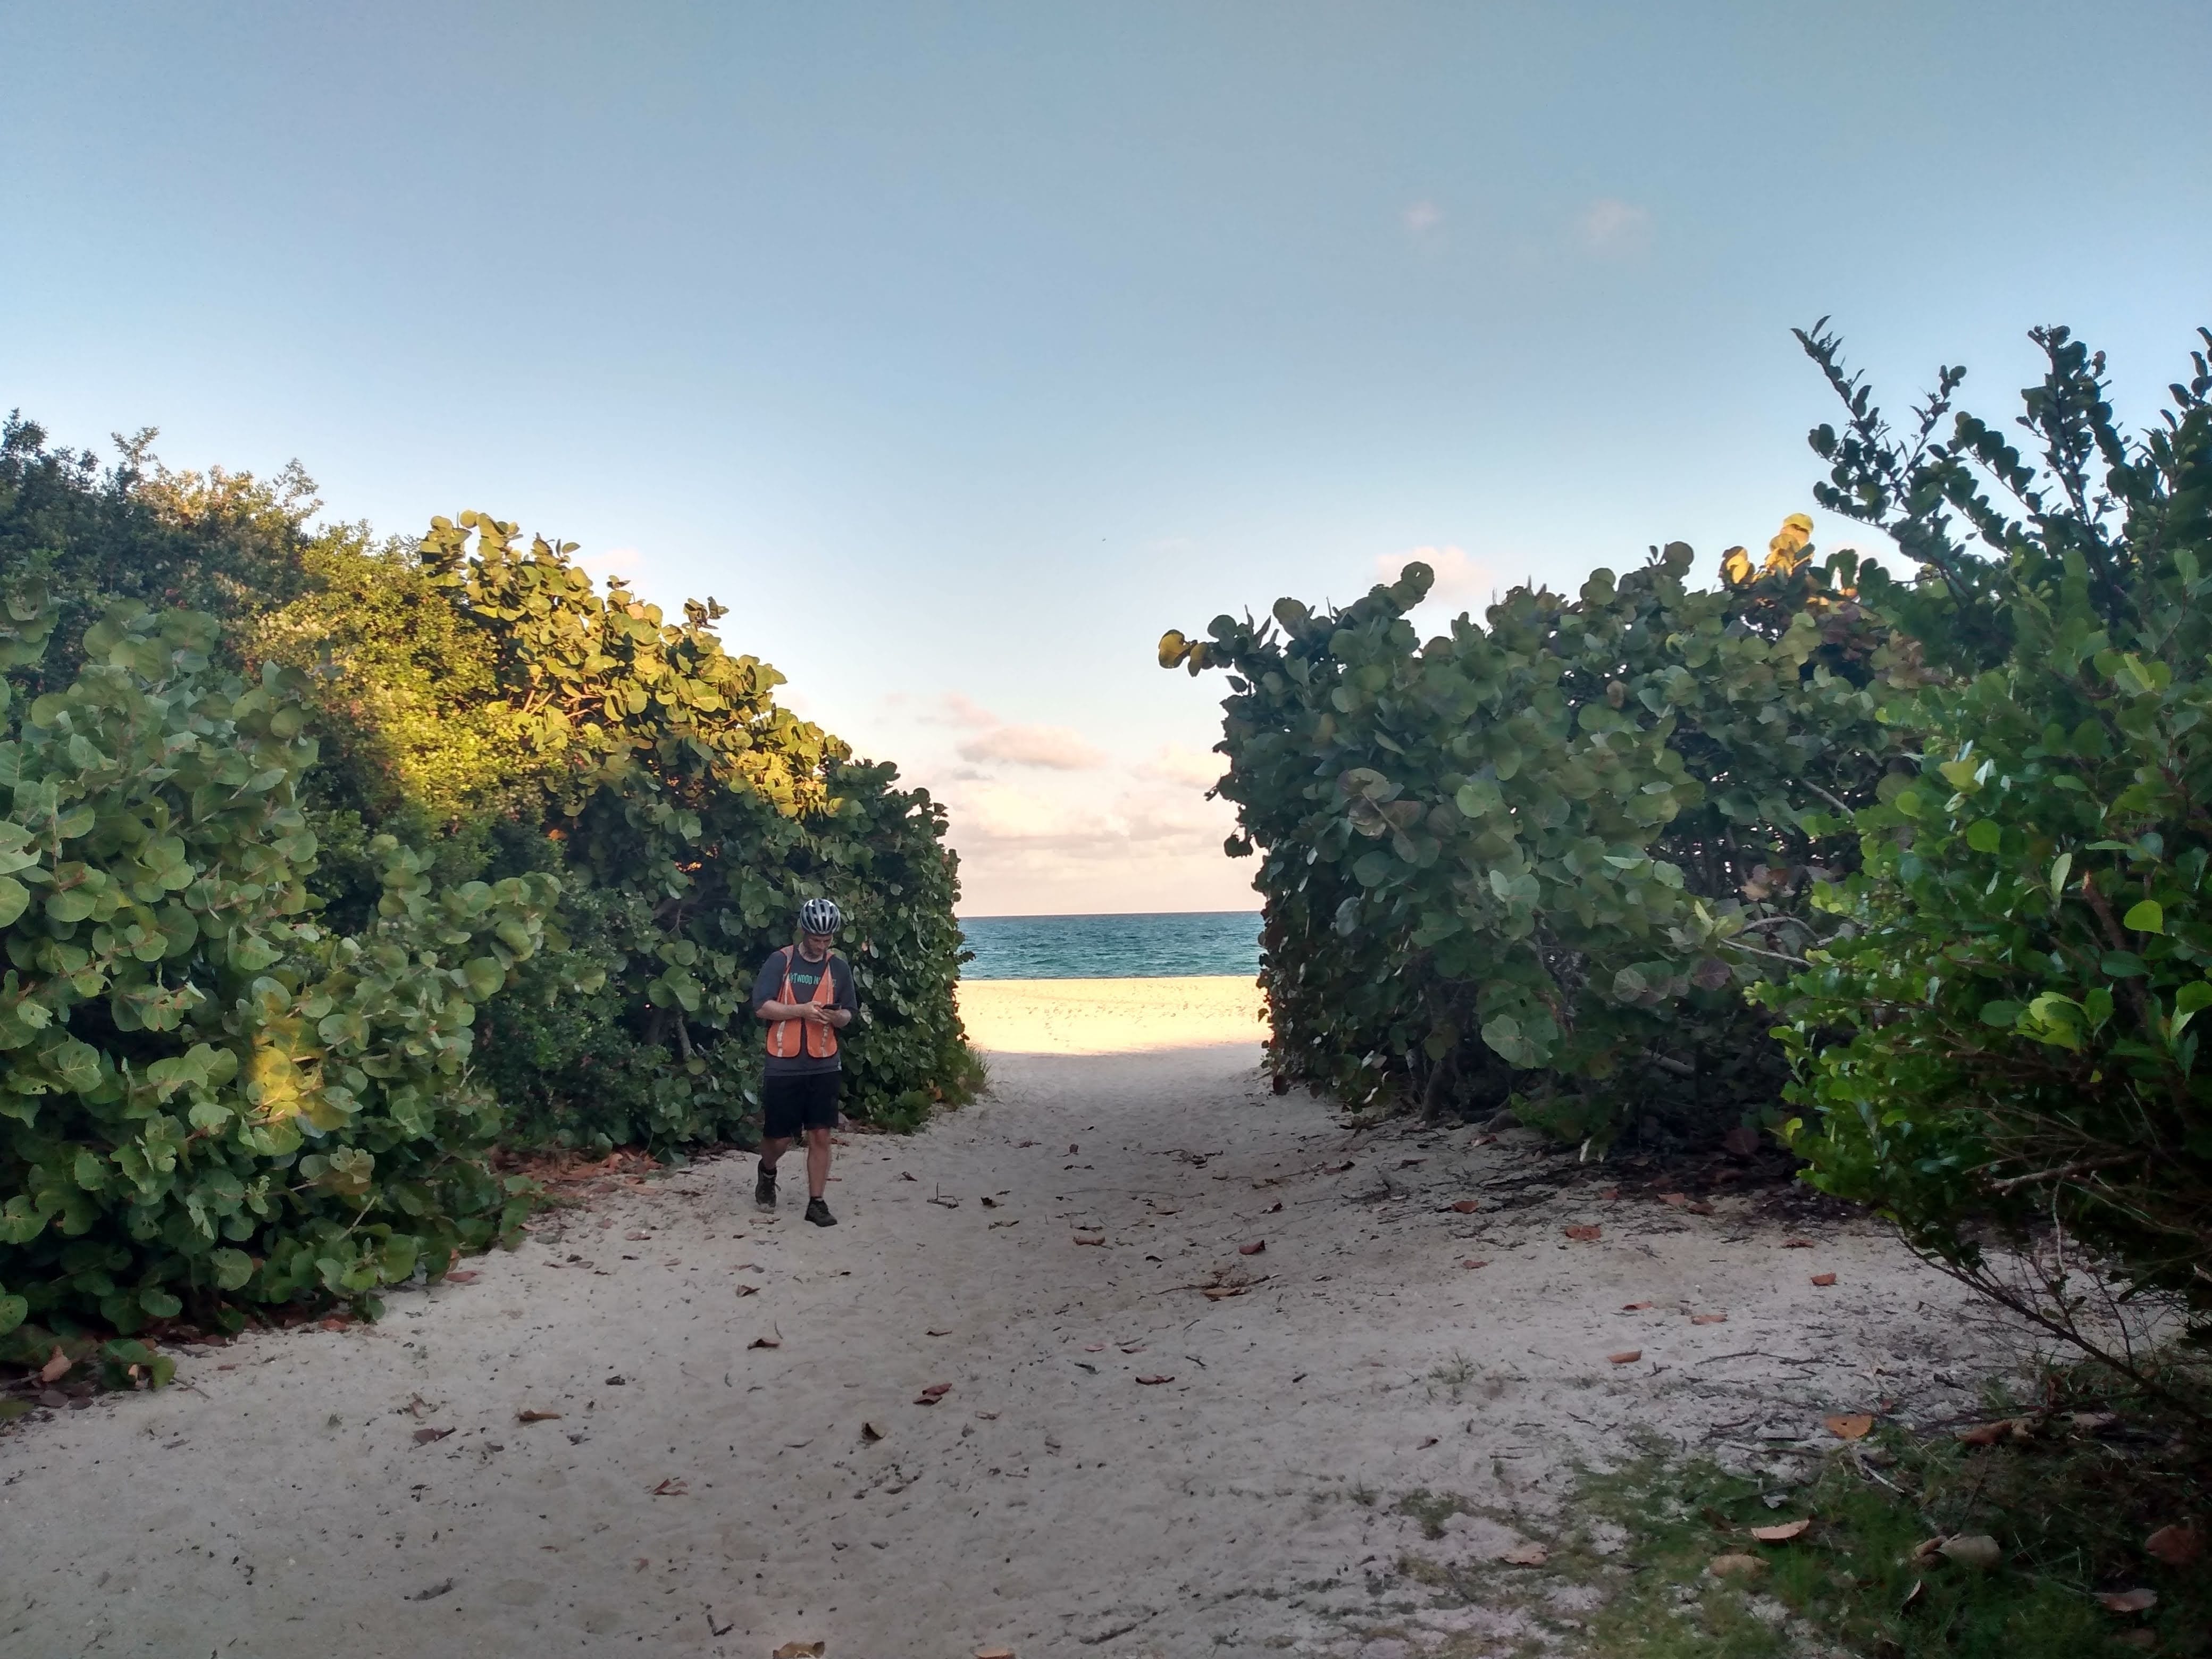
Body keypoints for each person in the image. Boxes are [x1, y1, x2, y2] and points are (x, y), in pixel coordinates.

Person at [751, 897, 857, 1226]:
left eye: (827, 940)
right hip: (783, 1064)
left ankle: (817, 1203)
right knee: (779, 1139)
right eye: (816, 939)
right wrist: (800, 1011)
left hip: (824, 1063)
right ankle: (767, 1170)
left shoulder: (839, 968)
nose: (821, 946)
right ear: (803, 931)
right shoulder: (780, 961)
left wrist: (836, 1018)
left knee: (821, 1134)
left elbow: (849, 1013)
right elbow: (761, 1007)